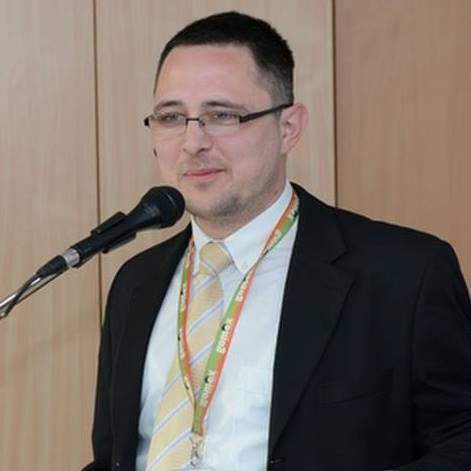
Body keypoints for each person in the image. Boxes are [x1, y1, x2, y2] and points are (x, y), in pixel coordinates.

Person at [83, 11, 471, 471]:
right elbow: (113, 457)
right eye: (171, 117)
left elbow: (461, 441)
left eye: (222, 115)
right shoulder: (135, 283)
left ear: (289, 127)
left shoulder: (404, 275)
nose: (192, 142)